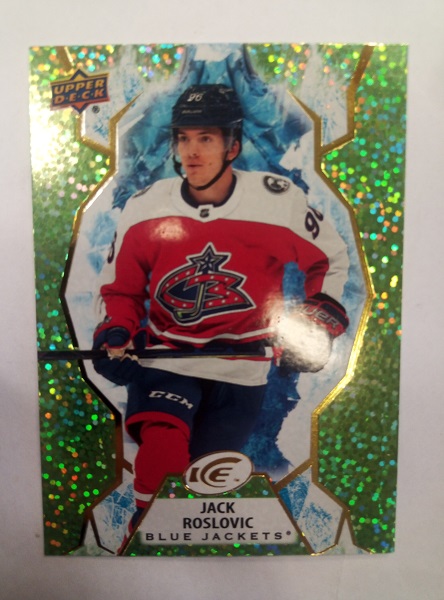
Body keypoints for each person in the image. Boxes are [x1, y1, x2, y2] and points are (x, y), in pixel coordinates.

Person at [92, 84, 350, 550]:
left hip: (242, 369)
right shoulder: (145, 207)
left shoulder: (277, 200)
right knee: (162, 453)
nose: (191, 152)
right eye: (183, 138)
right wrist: (117, 331)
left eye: (206, 138)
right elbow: (121, 289)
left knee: (201, 474)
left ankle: (180, 550)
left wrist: (315, 320)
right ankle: (142, 540)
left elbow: (329, 258)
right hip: (167, 359)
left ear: (233, 146)